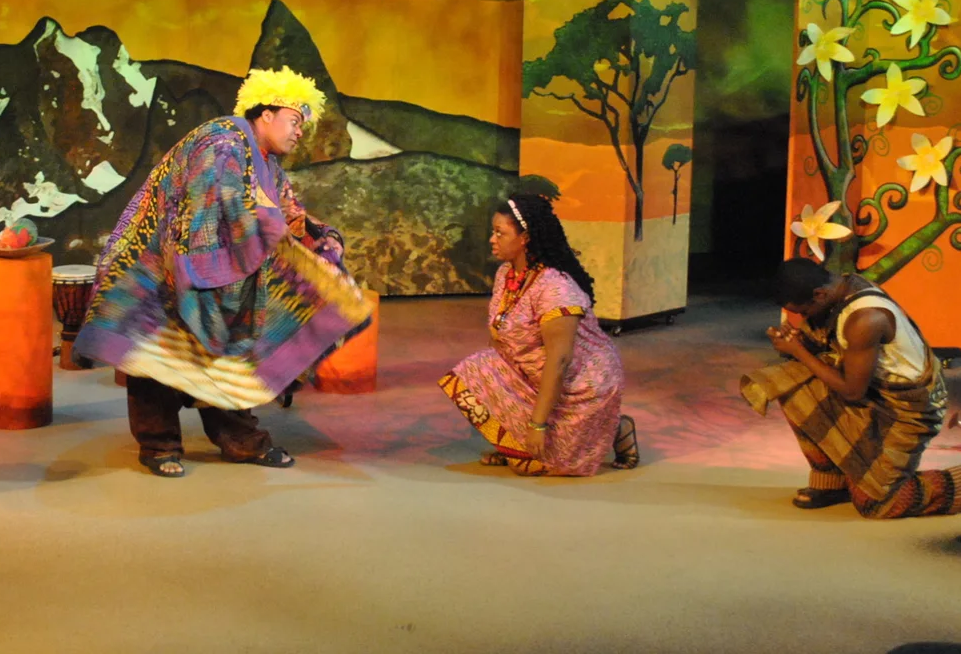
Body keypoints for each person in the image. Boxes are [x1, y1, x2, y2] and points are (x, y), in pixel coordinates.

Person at [74, 67, 371, 477]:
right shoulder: (222, 141)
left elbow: (286, 211)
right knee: (156, 354)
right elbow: (212, 205)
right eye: (294, 120)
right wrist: (272, 231)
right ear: (266, 114)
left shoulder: (266, 162)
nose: (300, 131)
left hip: (202, 262)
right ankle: (158, 445)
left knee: (225, 356)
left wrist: (317, 237)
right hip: (155, 263)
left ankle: (241, 441)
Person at [741, 258, 961, 517]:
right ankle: (831, 483)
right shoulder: (841, 287)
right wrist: (802, 345)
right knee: (787, 383)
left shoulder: (865, 319)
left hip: (908, 411)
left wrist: (799, 351)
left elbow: (852, 391)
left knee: (878, 504)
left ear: (819, 294)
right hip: (874, 394)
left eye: (803, 311)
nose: (802, 318)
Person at [439, 194, 636, 476]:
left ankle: (615, 426)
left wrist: (537, 425)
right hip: (531, 373)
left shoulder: (555, 288)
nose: (492, 240)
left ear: (525, 238)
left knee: (535, 466)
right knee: (475, 371)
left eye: (500, 233)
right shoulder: (506, 274)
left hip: (577, 386)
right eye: (493, 232)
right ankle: (515, 443)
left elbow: (560, 361)